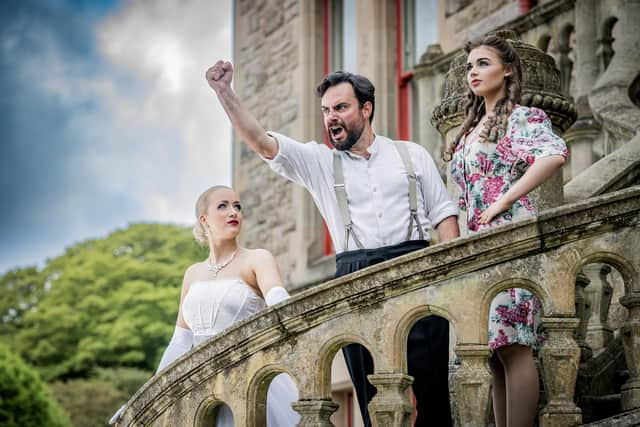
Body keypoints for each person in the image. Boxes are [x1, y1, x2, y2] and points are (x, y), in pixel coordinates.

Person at [206, 62, 459, 427]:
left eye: (340, 108)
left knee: (435, 395)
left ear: (366, 109)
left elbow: (444, 215)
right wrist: (224, 92)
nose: (331, 118)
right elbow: (262, 142)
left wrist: (449, 280)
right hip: (354, 277)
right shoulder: (319, 162)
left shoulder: (411, 154)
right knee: (374, 401)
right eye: (326, 111)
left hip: (417, 268)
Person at [446, 35, 568, 427]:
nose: (473, 73)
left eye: (482, 64)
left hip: (510, 240)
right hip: (477, 247)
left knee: (516, 345)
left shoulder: (523, 117)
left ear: (509, 69)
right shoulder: (469, 130)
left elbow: (553, 155)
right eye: (469, 67)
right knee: (494, 349)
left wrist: (502, 201)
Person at [110, 185, 300, 427]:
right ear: (204, 220)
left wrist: (284, 303)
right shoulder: (192, 274)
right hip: (201, 387)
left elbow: (278, 299)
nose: (234, 212)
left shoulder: (257, 259)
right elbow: (179, 342)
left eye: (237, 206)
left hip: (249, 379)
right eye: (223, 206)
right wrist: (145, 398)